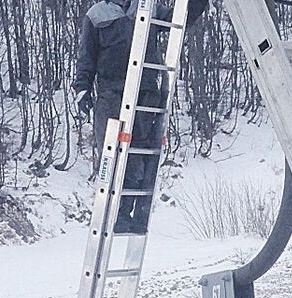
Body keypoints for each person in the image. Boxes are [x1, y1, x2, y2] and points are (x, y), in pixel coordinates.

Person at [72, 0, 208, 234]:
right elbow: (87, 56)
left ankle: (133, 213)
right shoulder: (96, 15)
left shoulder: (148, 7)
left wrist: (197, 3)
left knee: (138, 154)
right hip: (111, 94)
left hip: (145, 92)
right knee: (112, 153)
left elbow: (180, 20)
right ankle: (114, 213)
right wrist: (82, 90)